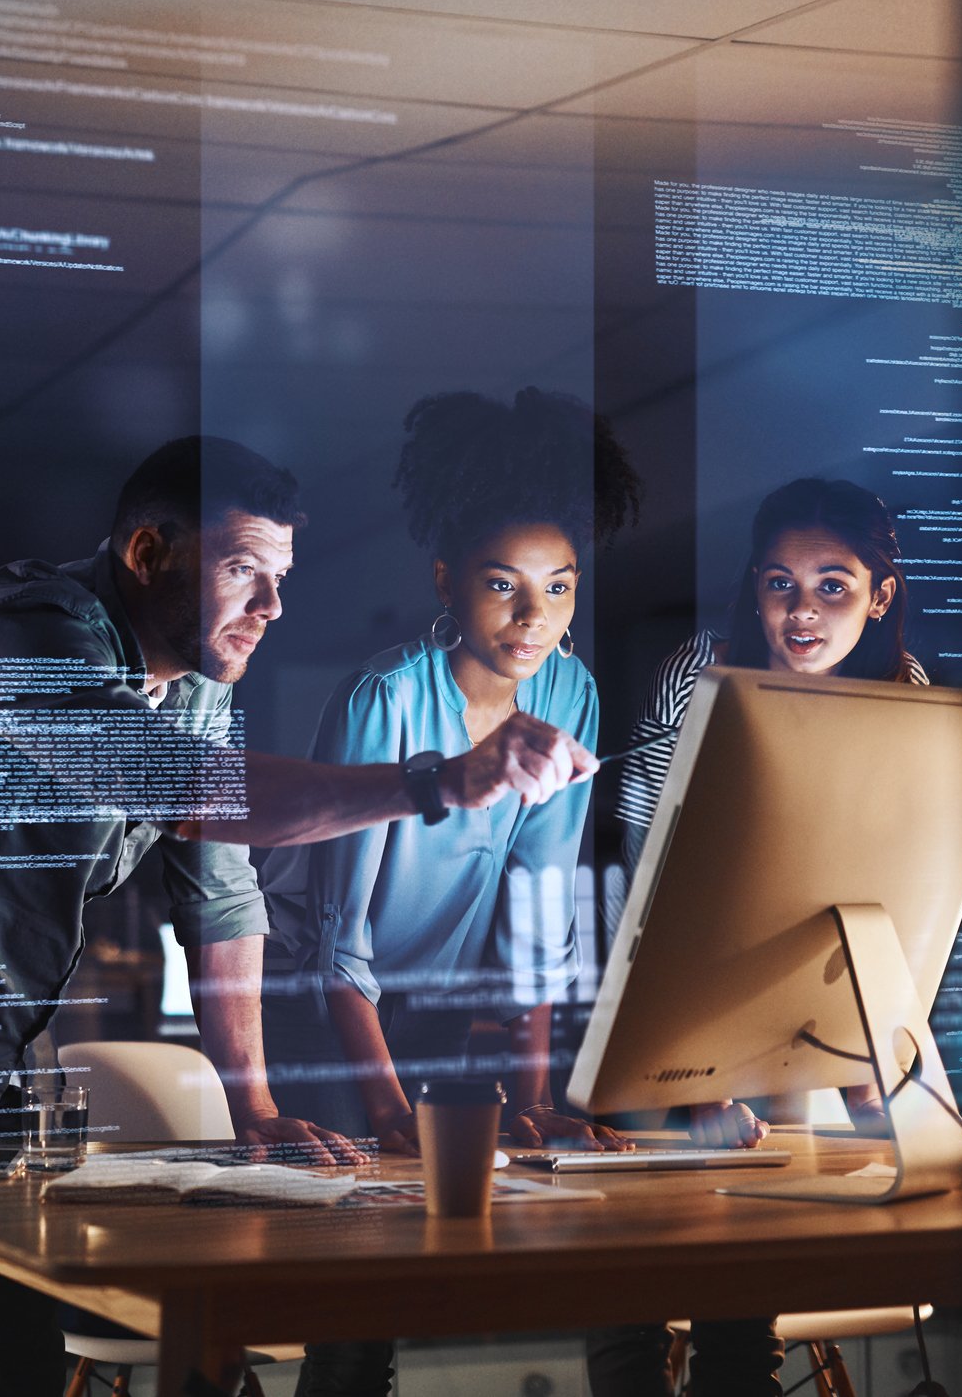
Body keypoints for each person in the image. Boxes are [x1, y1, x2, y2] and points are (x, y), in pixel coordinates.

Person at [0, 435, 599, 1397]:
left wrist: (257, 1109)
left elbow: (223, 893)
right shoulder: (29, 625)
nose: (272, 607)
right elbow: (189, 792)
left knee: (3, 1353)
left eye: (280, 577)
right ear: (148, 554)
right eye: (243, 570)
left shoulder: (195, 690)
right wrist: (437, 781)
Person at [255, 388, 641, 1397]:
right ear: (445, 580)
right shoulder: (388, 697)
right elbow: (339, 948)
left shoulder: (573, 691)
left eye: (559, 589)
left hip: (428, 1009)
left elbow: (539, 920)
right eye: (502, 585)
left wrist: (539, 1095)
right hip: (320, 1011)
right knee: (364, 1296)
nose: (534, 619)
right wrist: (388, 1111)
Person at [588, 475, 928, 1397]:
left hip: (787, 1010)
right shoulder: (701, 670)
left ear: (879, 594)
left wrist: (875, 1056)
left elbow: (889, 893)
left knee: (739, 1319)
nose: (801, 612)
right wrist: (678, 1066)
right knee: (633, 1304)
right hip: (653, 990)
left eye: (831, 585)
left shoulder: (904, 698)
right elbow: (638, 875)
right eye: (779, 583)